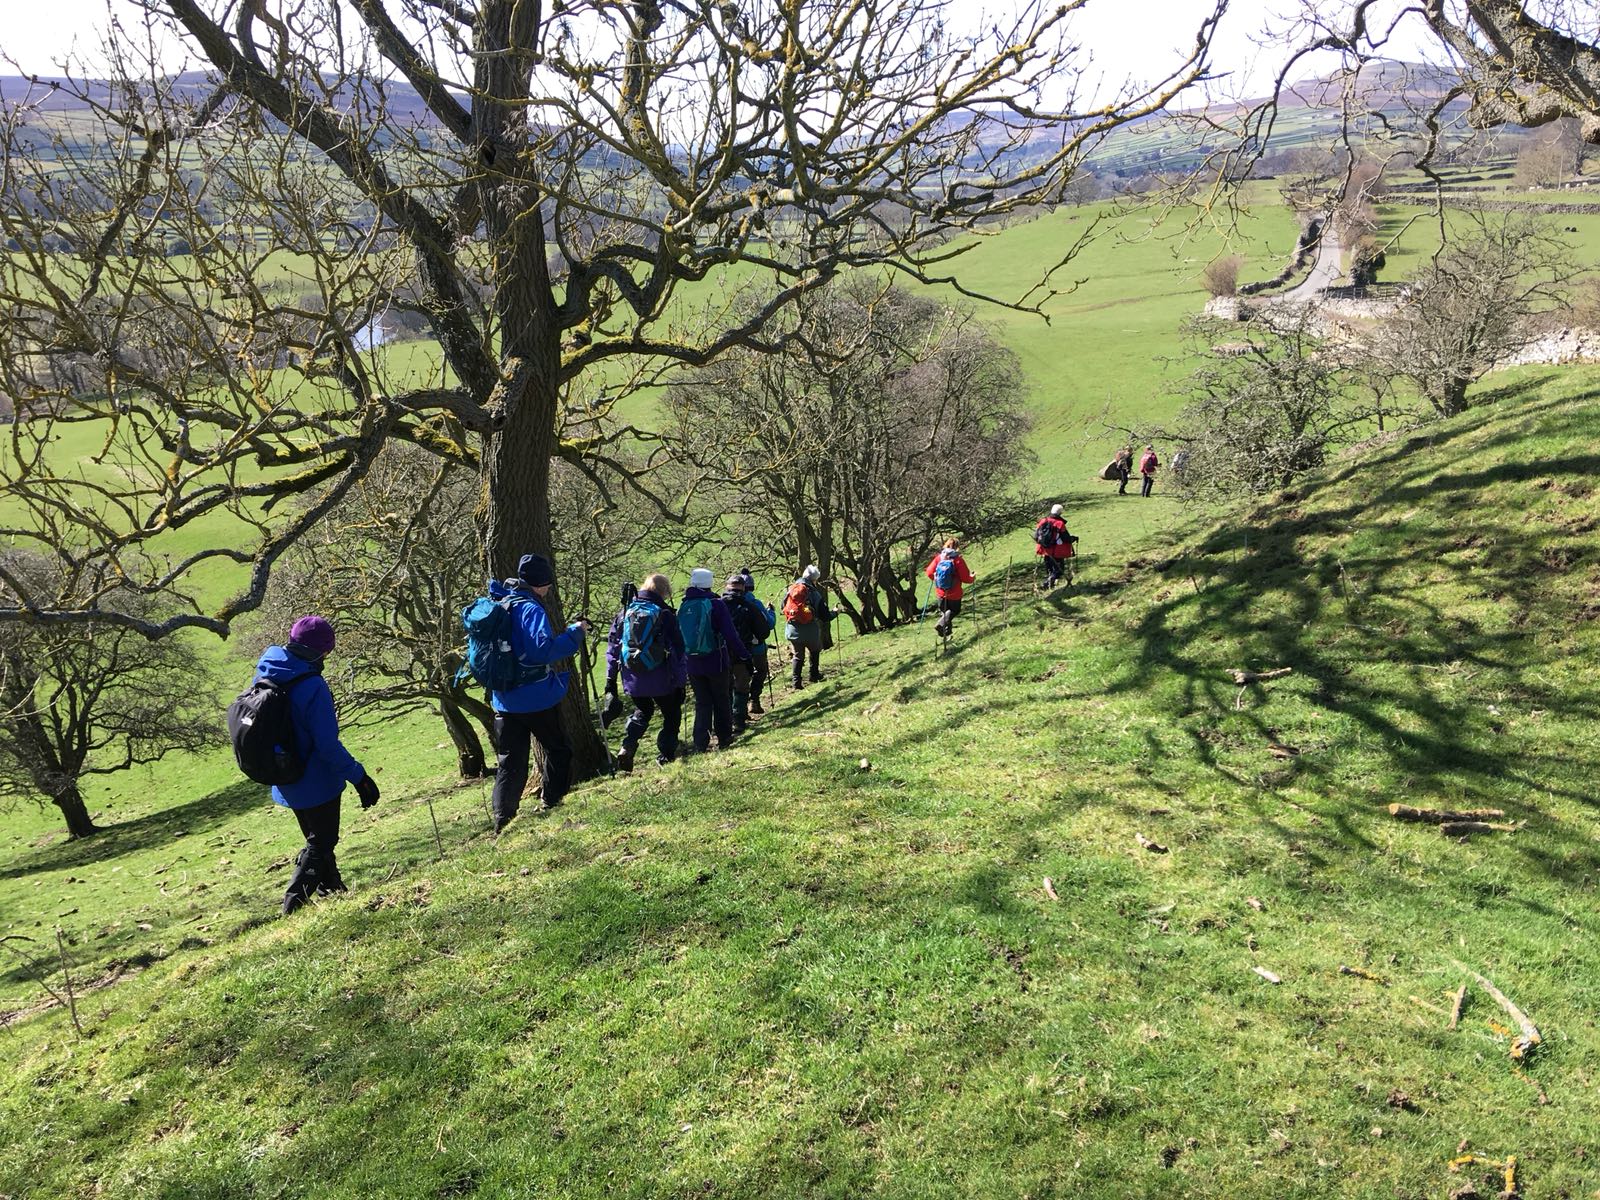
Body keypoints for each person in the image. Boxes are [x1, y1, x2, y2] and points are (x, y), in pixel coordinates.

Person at [251, 615, 380, 915]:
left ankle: (332, 890)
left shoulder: (267, 669)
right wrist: (359, 777)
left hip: (284, 774)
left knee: (316, 840)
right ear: (321, 651)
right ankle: (293, 904)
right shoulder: (312, 685)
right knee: (323, 841)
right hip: (316, 780)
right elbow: (327, 745)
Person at [486, 553, 589, 833]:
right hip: (535, 698)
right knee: (559, 749)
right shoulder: (531, 609)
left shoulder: (501, 603)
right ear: (540, 583)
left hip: (504, 698)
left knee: (509, 762)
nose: (549, 589)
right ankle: (551, 801)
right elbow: (542, 651)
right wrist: (574, 634)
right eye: (547, 584)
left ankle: (502, 820)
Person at [608, 573, 688, 772]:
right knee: (671, 713)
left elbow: (613, 648)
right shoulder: (665, 614)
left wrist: (611, 679)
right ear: (664, 592)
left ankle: (628, 746)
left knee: (643, 710)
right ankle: (666, 755)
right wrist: (680, 682)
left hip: (632, 678)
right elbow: (678, 650)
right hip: (661, 677)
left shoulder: (625, 612)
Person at [680, 567, 751, 752]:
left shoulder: (684, 605)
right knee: (721, 699)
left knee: (702, 702)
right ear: (709, 583)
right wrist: (744, 655)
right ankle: (724, 738)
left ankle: (700, 742)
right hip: (715, 660)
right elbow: (730, 634)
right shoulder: (716, 604)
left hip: (692, 663)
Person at [722, 572, 773, 735]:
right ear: (743, 588)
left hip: (720, 654)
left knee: (725, 686)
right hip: (742, 652)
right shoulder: (749, 606)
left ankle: (724, 722)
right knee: (741, 685)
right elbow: (764, 631)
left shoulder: (715, 605)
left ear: (727, 587)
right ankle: (739, 719)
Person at [735, 568, 776, 713]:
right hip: (756, 647)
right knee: (761, 670)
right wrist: (771, 612)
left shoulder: (727, 603)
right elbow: (770, 624)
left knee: (740, 677)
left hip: (736, 648)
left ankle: (740, 710)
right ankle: (754, 701)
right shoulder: (755, 604)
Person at [783, 564, 828, 688]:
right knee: (814, 650)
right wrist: (835, 612)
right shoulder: (813, 593)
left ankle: (796, 682)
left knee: (798, 656)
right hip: (809, 629)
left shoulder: (791, 590)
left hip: (792, 629)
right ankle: (814, 675)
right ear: (814, 579)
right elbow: (824, 615)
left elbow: (783, 606)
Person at [925, 538, 976, 638]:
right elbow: (966, 578)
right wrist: (972, 578)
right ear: (957, 547)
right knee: (954, 611)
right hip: (954, 594)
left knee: (946, 614)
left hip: (941, 592)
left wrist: (937, 580)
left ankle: (946, 633)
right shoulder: (958, 560)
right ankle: (940, 626)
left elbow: (929, 572)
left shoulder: (939, 558)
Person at [1033, 503, 1077, 589]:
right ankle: (1047, 584)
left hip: (1045, 550)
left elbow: (1036, 536)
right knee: (1059, 570)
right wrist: (1073, 538)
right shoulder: (1060, 524)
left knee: (1049, 570)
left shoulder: (1043, 521)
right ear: (1060, 513)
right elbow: (1066, 538)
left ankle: (1050, 586)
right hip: (1057, 551)